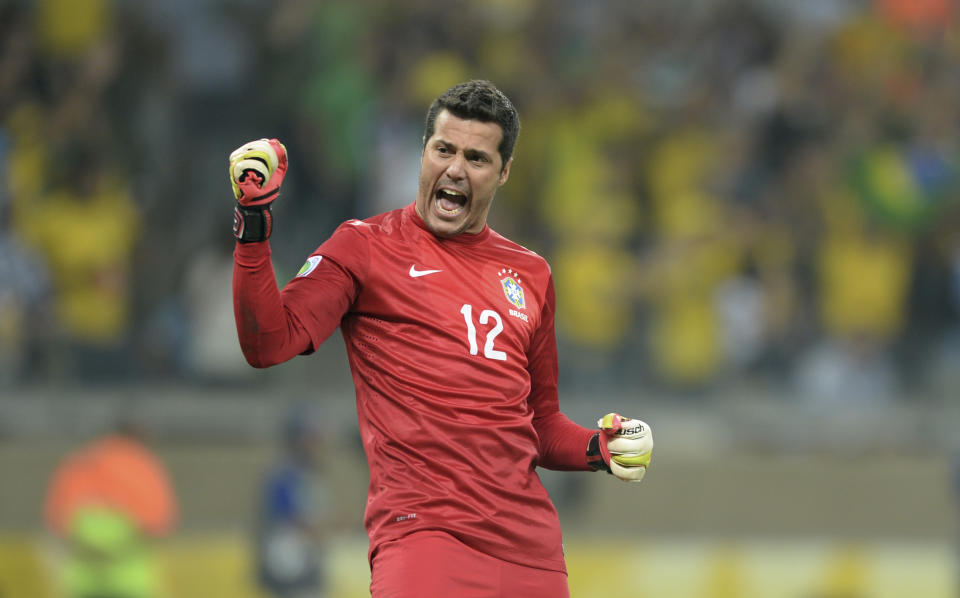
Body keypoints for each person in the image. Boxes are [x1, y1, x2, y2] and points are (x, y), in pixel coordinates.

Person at [230, 79, 653, 597]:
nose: (454, 169)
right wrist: (255, 224)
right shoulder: (364, 247)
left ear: (503, 173)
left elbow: (539, 425)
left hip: (532, 554)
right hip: (424, 538)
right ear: (423, 152)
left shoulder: (532, 274)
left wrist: (598, 447)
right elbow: (267, 344)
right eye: (443, 150)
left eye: (476, 158)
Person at [43, 418, 178, 598]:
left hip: (84, 578)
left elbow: (56, 518)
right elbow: (159, 522)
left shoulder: (80, 462)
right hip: (129, 579)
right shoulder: (144, 466)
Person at [255, 407, 330, 598]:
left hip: (307, 562)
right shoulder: (284, 475)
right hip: (290, 564)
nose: (315, 445)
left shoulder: (311, 473)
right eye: (309, 438)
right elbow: (289, 519)